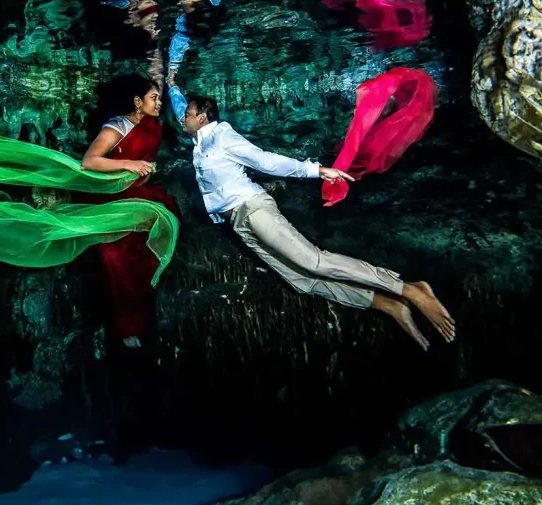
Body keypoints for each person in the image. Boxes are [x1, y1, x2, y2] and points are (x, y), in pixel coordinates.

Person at [166, 80, 455, 351]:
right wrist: (171, 86)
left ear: (203, 117)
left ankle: (410, 289)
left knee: (313, 261)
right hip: (238, 223)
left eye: (189, 115)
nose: (183, 119)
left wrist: (315, 170)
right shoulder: (200, 142)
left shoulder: (222, 135)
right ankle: (386, 304)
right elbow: (180, 107)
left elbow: (264, 160)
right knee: (302, 281)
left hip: (253, 209)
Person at [80, 75, 180, 348]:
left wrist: (146, 170)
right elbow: (89, 162)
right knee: (115, 259)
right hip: (113, 201)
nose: (159, 103)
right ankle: (126, 328)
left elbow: (146, 162)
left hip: (140, 196)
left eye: (159, 97)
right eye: (154, 98)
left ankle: (146, 315)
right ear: (137, 102)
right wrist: (129, 164)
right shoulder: (117, 126)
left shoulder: (153, 125)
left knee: (143, 256)